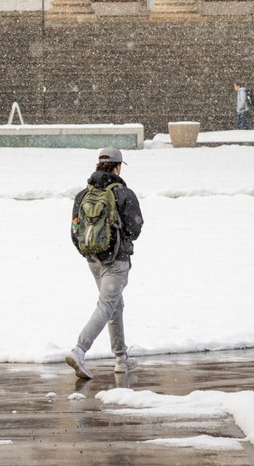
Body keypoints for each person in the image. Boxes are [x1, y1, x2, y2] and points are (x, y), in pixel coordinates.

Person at [63, 147, 145, 381]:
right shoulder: (124, 193)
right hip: (116, 261)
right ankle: (80, 349)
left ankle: (121, 358)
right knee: (107, 305)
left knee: (114, 305)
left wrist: (88, 251)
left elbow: (75, 229)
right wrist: (119, 242)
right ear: (118, 167)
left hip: (93, 260)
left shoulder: (82, 195)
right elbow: (135, 227)